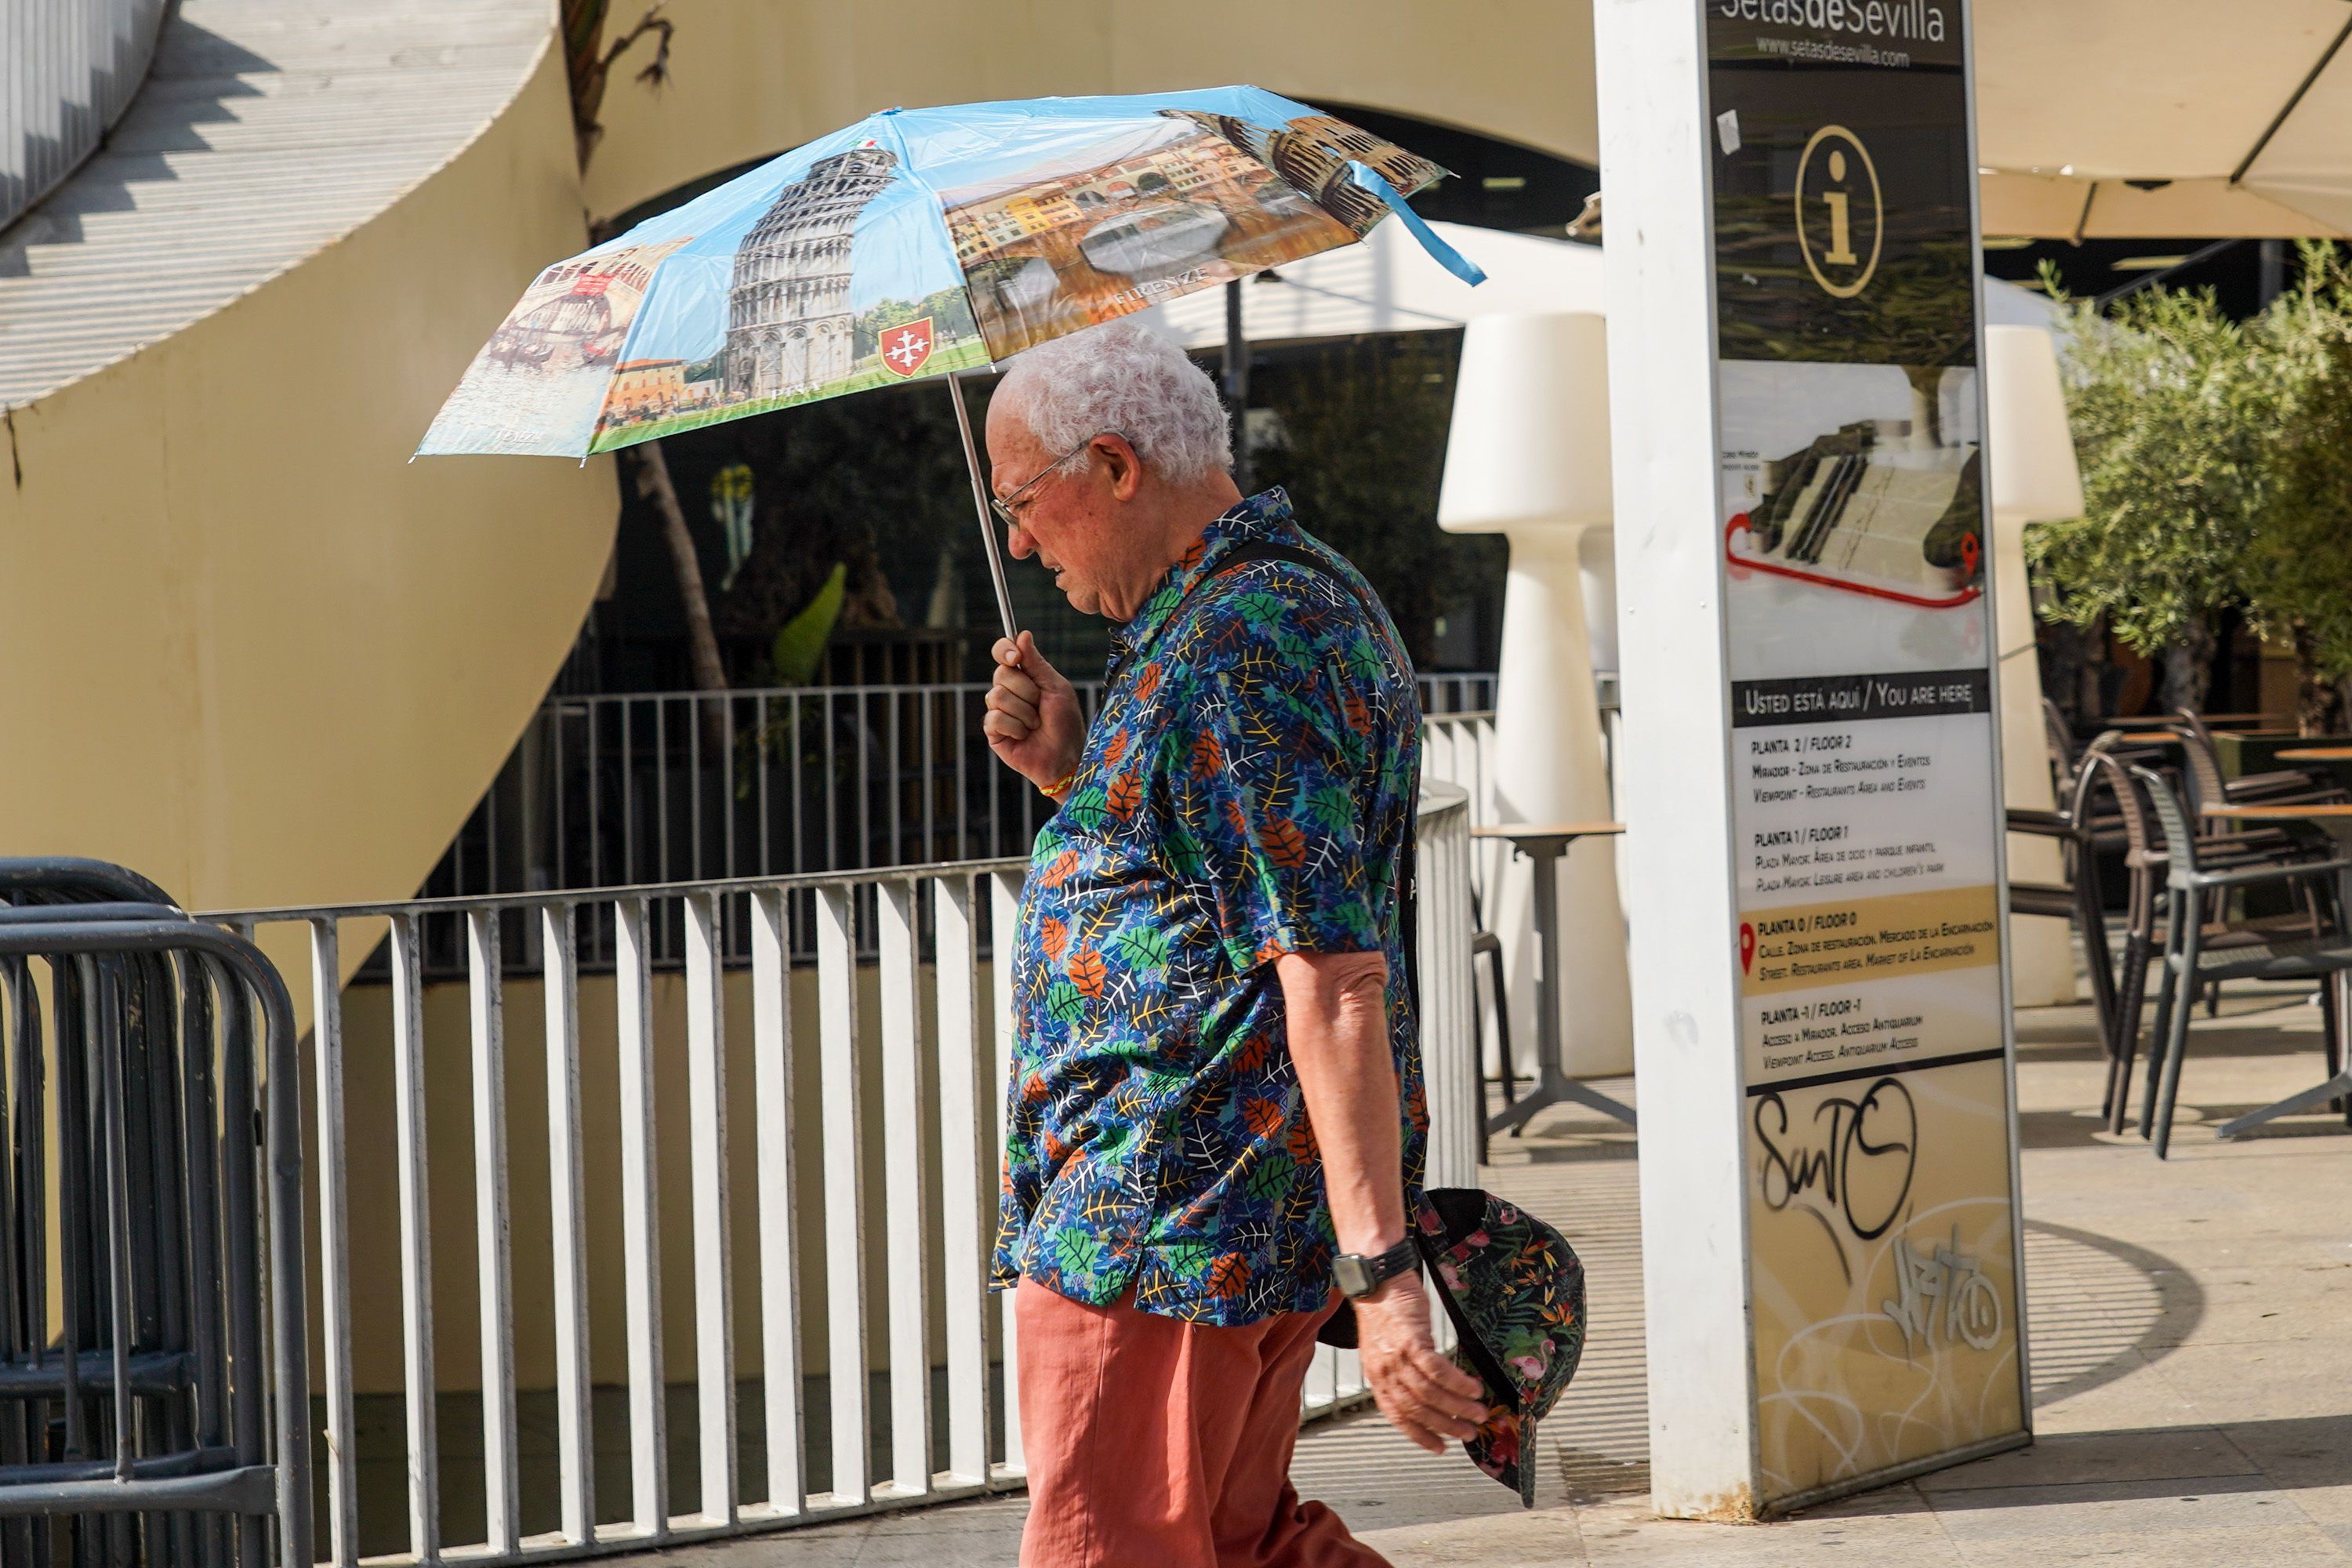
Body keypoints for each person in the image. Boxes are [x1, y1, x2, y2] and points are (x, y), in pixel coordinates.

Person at [979, 320, 1487, 1568]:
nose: (1019, 543)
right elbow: (1232, 892)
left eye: (1022, 502)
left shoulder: (1234, 645)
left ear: (1115, 465)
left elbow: (1332, 975)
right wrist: (1076, 774)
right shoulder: (1282, 597)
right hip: (1211, 1214)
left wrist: (1384, 1279)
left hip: (1162, 1219)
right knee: (1240, 1542)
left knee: (1120, 1550)